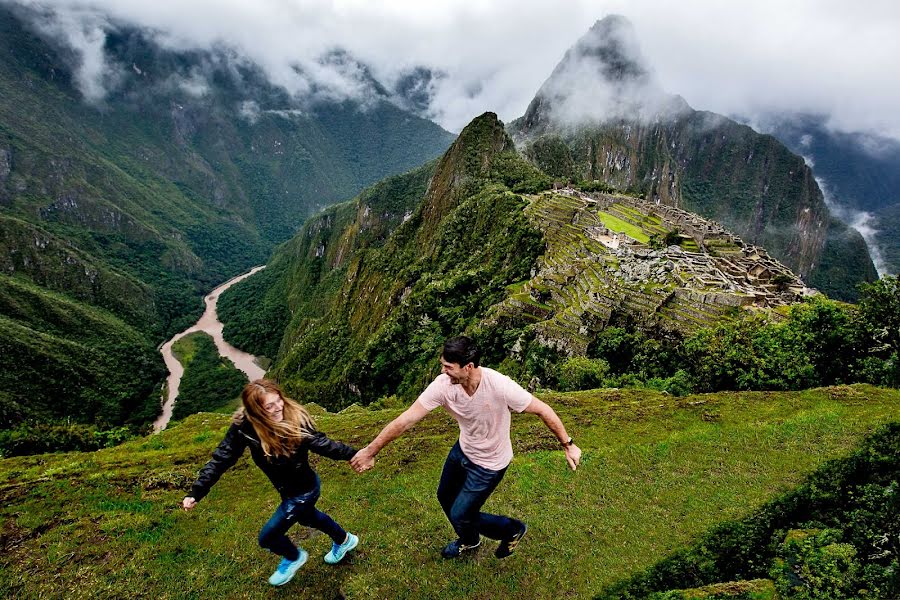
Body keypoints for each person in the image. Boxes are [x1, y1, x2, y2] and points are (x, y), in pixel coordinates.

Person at [350, 336, 581, 559]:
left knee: (461, 514)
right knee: (444, 497)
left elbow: (543, 409)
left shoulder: (500, 386)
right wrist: (371, 451)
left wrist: (568, 445)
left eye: (448, 367)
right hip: (462, 451)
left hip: (490, 464)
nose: (443, 372)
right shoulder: (443, 386)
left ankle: (510, 529)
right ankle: (470, 540)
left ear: (468, 366)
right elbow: (406, 420)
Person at [182, 379, 359, 587]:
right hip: (288, 490)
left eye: (279, 401)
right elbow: (222, 457)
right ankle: (345, 541)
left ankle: (294, 557)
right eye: (270, 406)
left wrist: (358, 455)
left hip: (302, 492)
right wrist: (197, 491)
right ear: (256, 412)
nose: (279, 408)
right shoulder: (245, 427)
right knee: (309, 517)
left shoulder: (295, 421)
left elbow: (325, 445)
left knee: (268, 537)